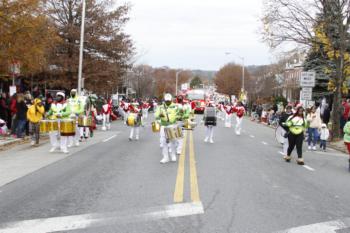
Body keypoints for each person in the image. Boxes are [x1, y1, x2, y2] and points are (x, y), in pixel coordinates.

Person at [155, 93, 180, 164]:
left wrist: (179, 116)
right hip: (164, 126)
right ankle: (165, 157)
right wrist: (159, 115)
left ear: (171, 100)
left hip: (173, 125)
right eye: (166, 101)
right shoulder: (160, 107)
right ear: (164, 100)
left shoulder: (176, 106)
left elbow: (180, 114)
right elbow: (156, 115)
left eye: (169, 100)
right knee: (163, 142)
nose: (168, 102)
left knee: (173, 141)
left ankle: (173, 155)